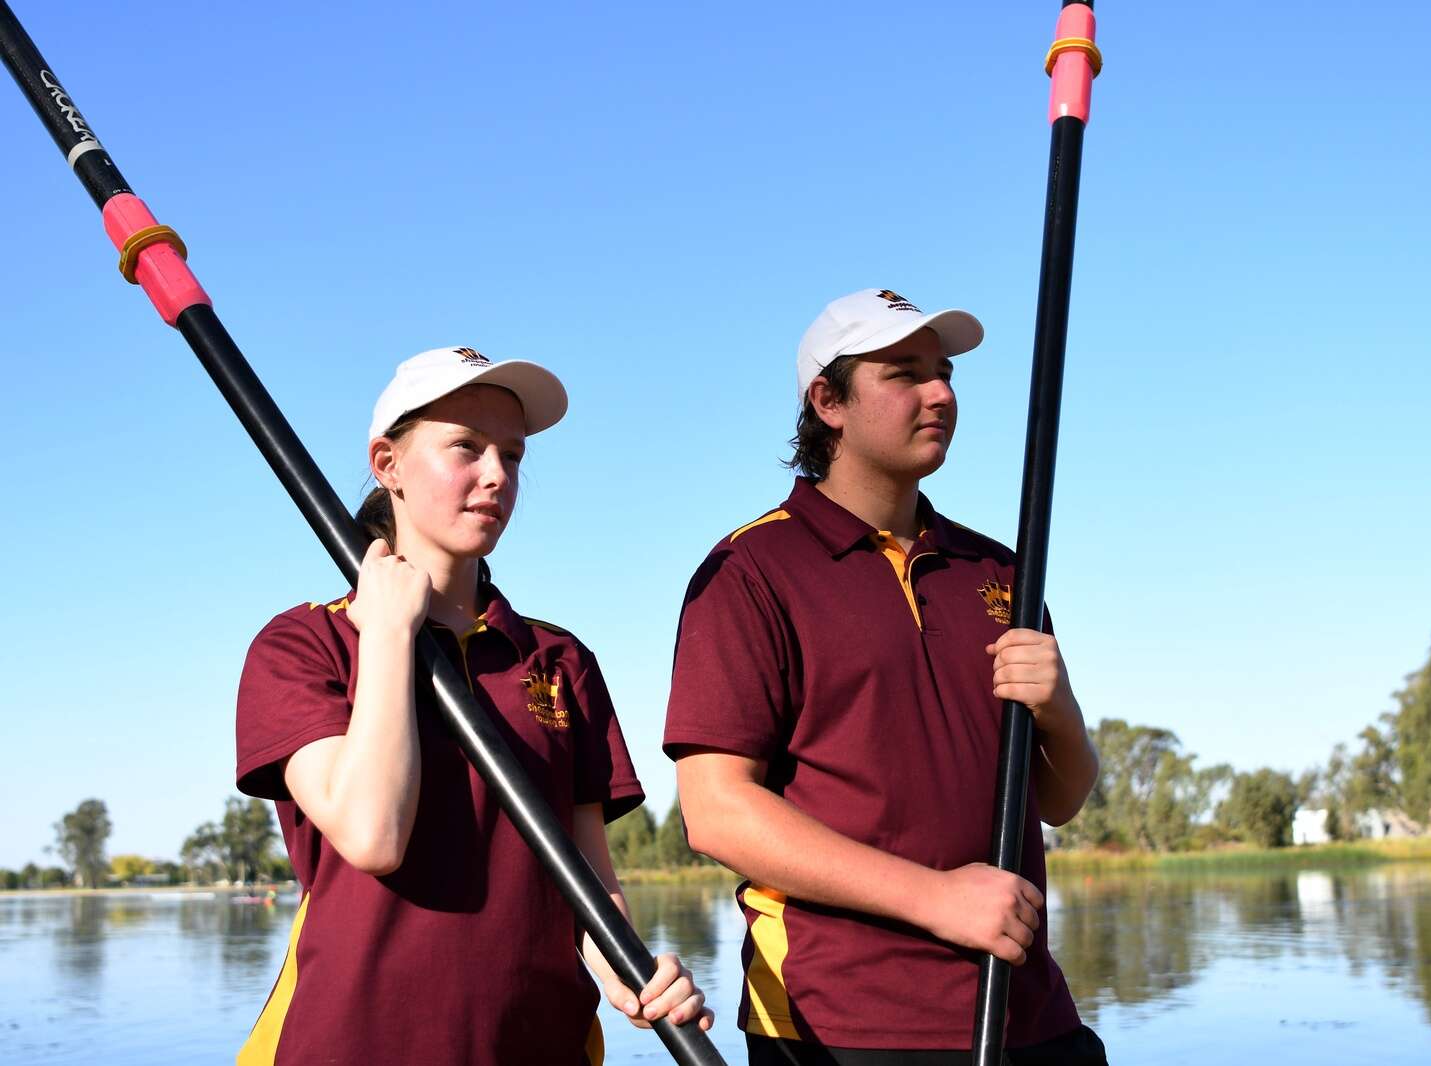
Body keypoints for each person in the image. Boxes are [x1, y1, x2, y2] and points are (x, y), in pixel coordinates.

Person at [234, 346, 711, 1065]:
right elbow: (372, 836)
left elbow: (588, 885)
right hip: (353, 1046)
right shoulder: (305, 643)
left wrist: (634, 979)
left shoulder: (558, 660)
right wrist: (392, 631)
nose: (497, 476)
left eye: (513, 456)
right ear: (387, 464)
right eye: (466, 447)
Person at [664, 290, 1105, 1064]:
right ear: (828, 401)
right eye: (905, 374)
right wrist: (935, 899)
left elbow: (1059, 800)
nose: (940, 394)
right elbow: (718, 814)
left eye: (946, 373)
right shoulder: (749, 571)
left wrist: (1061, 709)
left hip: (1027, 1013)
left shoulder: (1000, 566)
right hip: (839, 1026)